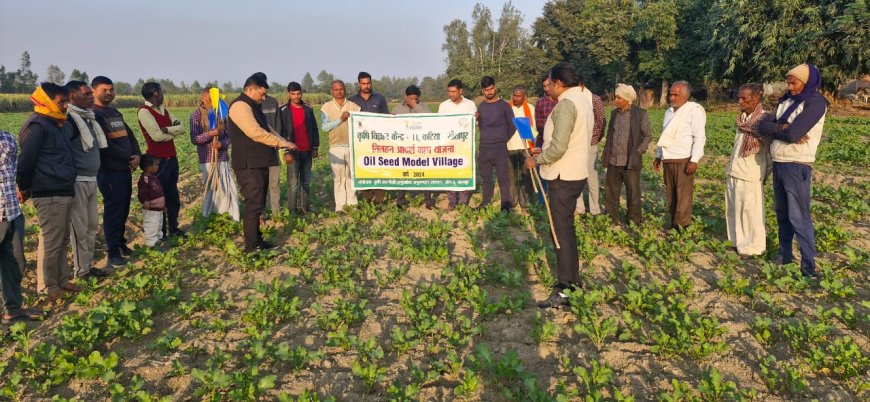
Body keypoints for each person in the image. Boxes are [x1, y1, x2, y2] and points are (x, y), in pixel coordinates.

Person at [525, 63, 593, 308]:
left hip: (563, 176)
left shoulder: (566, 104)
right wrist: (545, 150)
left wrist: (537, 158)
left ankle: (565, 289)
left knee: (559, 232)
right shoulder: (584, 100)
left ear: (560, 84)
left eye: (551, 83)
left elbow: (560, 147)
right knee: (567, 230)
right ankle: (573, 282)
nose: (549, 87)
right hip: (575, 172)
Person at [758, 63, 827, 279]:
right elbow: (762, 125)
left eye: (794, 82)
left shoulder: (815, 103)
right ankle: (784, 255)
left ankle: (809, 268)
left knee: (799, 217)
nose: (789, 86)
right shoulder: (786, 101)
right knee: (783, 215)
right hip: (780, 161)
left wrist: (782, 129)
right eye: (788, 82)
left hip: (797, 164)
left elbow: (793, 135)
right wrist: (782, 128)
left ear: (807, 82)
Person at [16, 82, 81, 299]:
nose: (65, 105)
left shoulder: (56, 123)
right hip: (48, 190)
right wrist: (24, 187)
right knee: (52, 240)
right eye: (61, 101)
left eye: (66, 101)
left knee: (61, 238)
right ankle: (48, 287)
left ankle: (62, 280)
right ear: (46, 101)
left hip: (63, 188)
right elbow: (26, 161)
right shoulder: (37, 126)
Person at [227, 73, 296, 252]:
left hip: (260, 162)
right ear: (251, 89)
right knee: (253, 205)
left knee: (258, 205)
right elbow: (255, 132)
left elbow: (268, 129)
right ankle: (251, 247)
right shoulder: (240, 106)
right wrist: (282, 143)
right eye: (261, 93)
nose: (264, 98)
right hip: (248, 164)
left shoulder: (254, 105)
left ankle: (258, 241)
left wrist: (284, 141)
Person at [92, 76, 141, 267]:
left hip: (124, 170)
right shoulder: (95, 115)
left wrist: (136, 153)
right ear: (94, 91)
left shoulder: (113, 112)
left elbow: (130, 135)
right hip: (109, 171)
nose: (109, 93)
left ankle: (121, 244)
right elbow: (105, 145)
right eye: (105, 90)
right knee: (113, 211)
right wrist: (128, 157)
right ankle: (112, 252)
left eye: (111, 89)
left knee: (124, 209)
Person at [64, 80, 108, 279]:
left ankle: (87, 266)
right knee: (79, 229)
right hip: (77, 181)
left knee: (91, 226)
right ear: (73, 95)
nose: (92, 97)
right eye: (87, 94)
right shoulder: (69, 120)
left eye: (91, 93)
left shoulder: (88, 117)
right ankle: (81, 271)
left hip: (91, 179)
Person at [1, 129, 43, 323]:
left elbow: (16, 168)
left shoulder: (7, 138)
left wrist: (22, 189)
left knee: (16, 262)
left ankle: (13, 309)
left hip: (12, 211)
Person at [653, 81, 706, 231]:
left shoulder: (693, 110)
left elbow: (699, 137)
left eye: (676, 94)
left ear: (686, 95)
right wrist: (658, 156)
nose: (672, 97)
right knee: (671, 194)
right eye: (671, 94)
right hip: (668, 158)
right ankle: (673, 223)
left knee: (683, 196)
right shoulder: (669, 111)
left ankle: (682, 227)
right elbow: (665, 135)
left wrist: (694, 160)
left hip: (684, 159)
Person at [726, 83, 770, 256]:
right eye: (739, 97)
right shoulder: (742, 119)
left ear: (756, 98)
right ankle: (735, 243)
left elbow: (769, 153)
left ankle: (753, 249)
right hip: (734, 169)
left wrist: (764, 175)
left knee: (750, 213)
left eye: (744, 98)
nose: (740, 101)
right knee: (733, 209)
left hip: (751, 173)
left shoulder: (765, 120)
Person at [137, 82, 186, 239]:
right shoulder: (144, 112)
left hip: (171, 158)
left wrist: (167, 130)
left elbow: (182, 128)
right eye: (161, 91)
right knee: (159, 198)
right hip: (158, 162)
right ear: (156, 93)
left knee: (172, 196)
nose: (163, 94)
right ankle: (160, 233)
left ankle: (173, 228)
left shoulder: (164, 110)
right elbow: (156, 137)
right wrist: (173, 132)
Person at [601, 84, 652, 226]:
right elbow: (610, 135)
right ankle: (611, 218)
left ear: (627, 99)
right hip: (613, 160)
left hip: (631, 161)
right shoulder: (613, 114)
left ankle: (634, 221)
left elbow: (647, 136)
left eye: (619, 97)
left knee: (633, 192)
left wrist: (639, 151)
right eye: (616, 97)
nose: (616, 100)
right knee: (611, 192)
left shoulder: (640, 114)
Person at [189, 87, 238, 221]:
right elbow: (194, 138)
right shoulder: (196, 116)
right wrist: (209, 134)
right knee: (211, 189)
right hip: (207, 159)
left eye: (214, 99)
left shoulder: (221, 113)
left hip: (222, 157)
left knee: (228, 188)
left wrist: (222, 144)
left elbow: (230, 136)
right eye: (210, 99)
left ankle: (231, 215)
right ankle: (209, 216)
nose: (212, 102)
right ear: (202, 98)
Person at [349, 72, 390, 205]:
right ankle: (367, 199)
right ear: (359, 84)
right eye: (363, 83)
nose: (366, 86)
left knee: (379, 169)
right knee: (364, 169)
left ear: (371, 83)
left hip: (378, 141)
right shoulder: (352, 100)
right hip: (361, 142)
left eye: (368, 83)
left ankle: (379, 200)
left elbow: (386, 119)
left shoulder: (380, 98)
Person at [279, 82, 320, 214]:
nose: (296, 96)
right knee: (293, 183)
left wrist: (315, 147)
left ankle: (305, 208)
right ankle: (292, 210)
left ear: (301, 93)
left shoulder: (308, 108)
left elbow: (314, 128)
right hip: (293, 152)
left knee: (306, 181)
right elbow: (282, 133)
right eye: (293, 94)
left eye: (298, 93)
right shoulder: (284, 111)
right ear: (289, 94)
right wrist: (286, 150)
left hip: (307, 151)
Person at [476, 76, 515, 212]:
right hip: (485, 147)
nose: (489, 92)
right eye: (486, 90)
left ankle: (506, 204)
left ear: (495, 87)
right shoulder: (481, 107)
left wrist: (502, 138)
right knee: (486, 178)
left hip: (500, 147)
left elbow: (512, 125)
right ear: (483, 91)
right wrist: (488, 137)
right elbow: (481, 126)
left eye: (491, 88)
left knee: (503, 178)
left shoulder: (504, 106)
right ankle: (485, 202)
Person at [321, 79, 361, 212]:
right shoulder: (326, 107)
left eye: (341, 89)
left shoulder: (354, 107)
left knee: (351, 175)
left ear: (345, 89)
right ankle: (340, 206)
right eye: (336, 90)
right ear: (332, 91)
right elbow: (325, 127)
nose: (339, 92)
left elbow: (360, 126)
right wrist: (340, 119)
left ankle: (352, 204)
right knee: (338, 177)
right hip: (335, 147)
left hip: (351, 145)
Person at [438, 79, 477, 211]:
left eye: (453, 91)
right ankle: (452, 201)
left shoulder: (470, 105)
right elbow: (439, 125)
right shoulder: (443, 106)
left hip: (464, 145)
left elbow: (475, 124)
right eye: (449, 91)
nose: (451, 94)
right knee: (450, 172)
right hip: (449, 144)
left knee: (464, 171)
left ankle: (463, 201)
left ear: (461, 91)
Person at [391, 85, 433, 209]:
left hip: (420, 146)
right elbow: (389, 125)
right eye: (410, 98)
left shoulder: (423, 107)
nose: (412, 101)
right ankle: (400, 199)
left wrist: (415, 106)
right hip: (403, 147)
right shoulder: (397, 109)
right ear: (405, 97)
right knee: (402, 173)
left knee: (425, 173)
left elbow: (431, 119)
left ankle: (428, 200)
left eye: (415, 99)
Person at [575, 79, 605, 216]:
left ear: (582, 85)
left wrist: (594, 139)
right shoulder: (572, 99)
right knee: (576, 176)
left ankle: (595, 209)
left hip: (590, 143)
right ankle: (579, 208)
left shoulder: (594, 99)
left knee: (591, 176)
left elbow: (601, 121)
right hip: (576, 144)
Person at [507, 86, 536, 208]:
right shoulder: (507, 108)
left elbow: (533, 127)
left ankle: (526, 202)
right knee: (510, 175)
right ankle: (512, 201)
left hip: (525, 147)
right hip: (509, 145)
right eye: (514, 95)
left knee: (525, 175)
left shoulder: (530, 108)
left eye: (519, 96)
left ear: (524, 97)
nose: (515, 98)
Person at [261, 83, 283, 216]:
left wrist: (278, 143)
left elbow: (279, 125)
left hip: (273, 150)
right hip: (258, 152)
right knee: (260, 185)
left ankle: (276, 214)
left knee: (274, 184)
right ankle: (260, 214)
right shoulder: (251, 105)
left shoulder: (272, 102)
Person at [137, 155, 165, 248]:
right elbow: (142, 192)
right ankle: (151, 245)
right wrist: (145, 201)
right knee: (152, 226)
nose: (158, 167)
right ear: (149, 167)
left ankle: (158, 241)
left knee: (158, 225)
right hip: (151, 209)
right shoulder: (144, 180)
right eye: (156, 165)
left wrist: (163, 205)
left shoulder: (153, 178)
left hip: (158, 208)